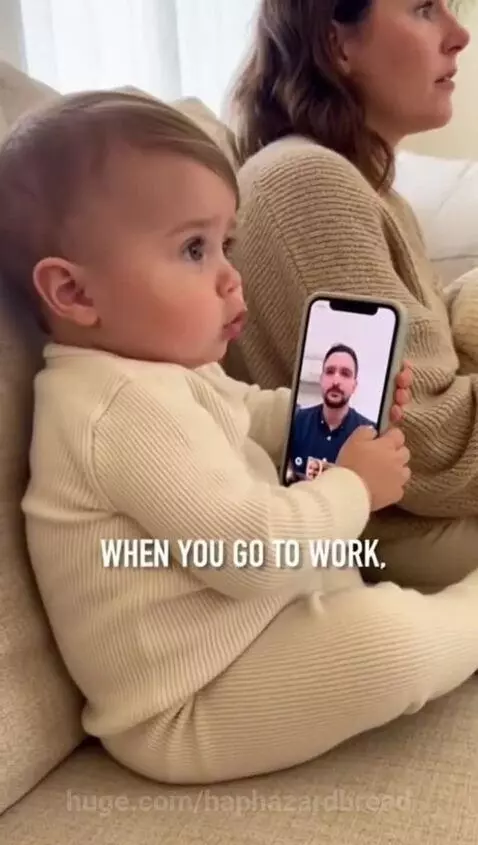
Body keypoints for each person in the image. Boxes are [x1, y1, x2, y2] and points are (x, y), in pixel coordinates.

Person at [1, 90, 476, 791]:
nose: (231, 276)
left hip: (259, 632)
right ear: (74, 294)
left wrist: (333, 414)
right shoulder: (114, 409)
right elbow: (250, 553)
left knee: (359, 603)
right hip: (189, 703)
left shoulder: (160, 373)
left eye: (226, 244)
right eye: (194, 249)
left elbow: (248, 416)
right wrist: (352, 485)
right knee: (385, 646)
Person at [226, 0, 478, 590]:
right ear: (338, 45)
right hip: (391, 544)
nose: (459, 35)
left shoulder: (373, 195)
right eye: (423, 9)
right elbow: (426, 447)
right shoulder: (307, 183)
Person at [289, 343, 376, 481]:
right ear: (321, 380)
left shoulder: (370, 435)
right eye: (329, 371)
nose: (336, 381)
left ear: (354, 386)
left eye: (345, 374)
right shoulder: (296, 421)